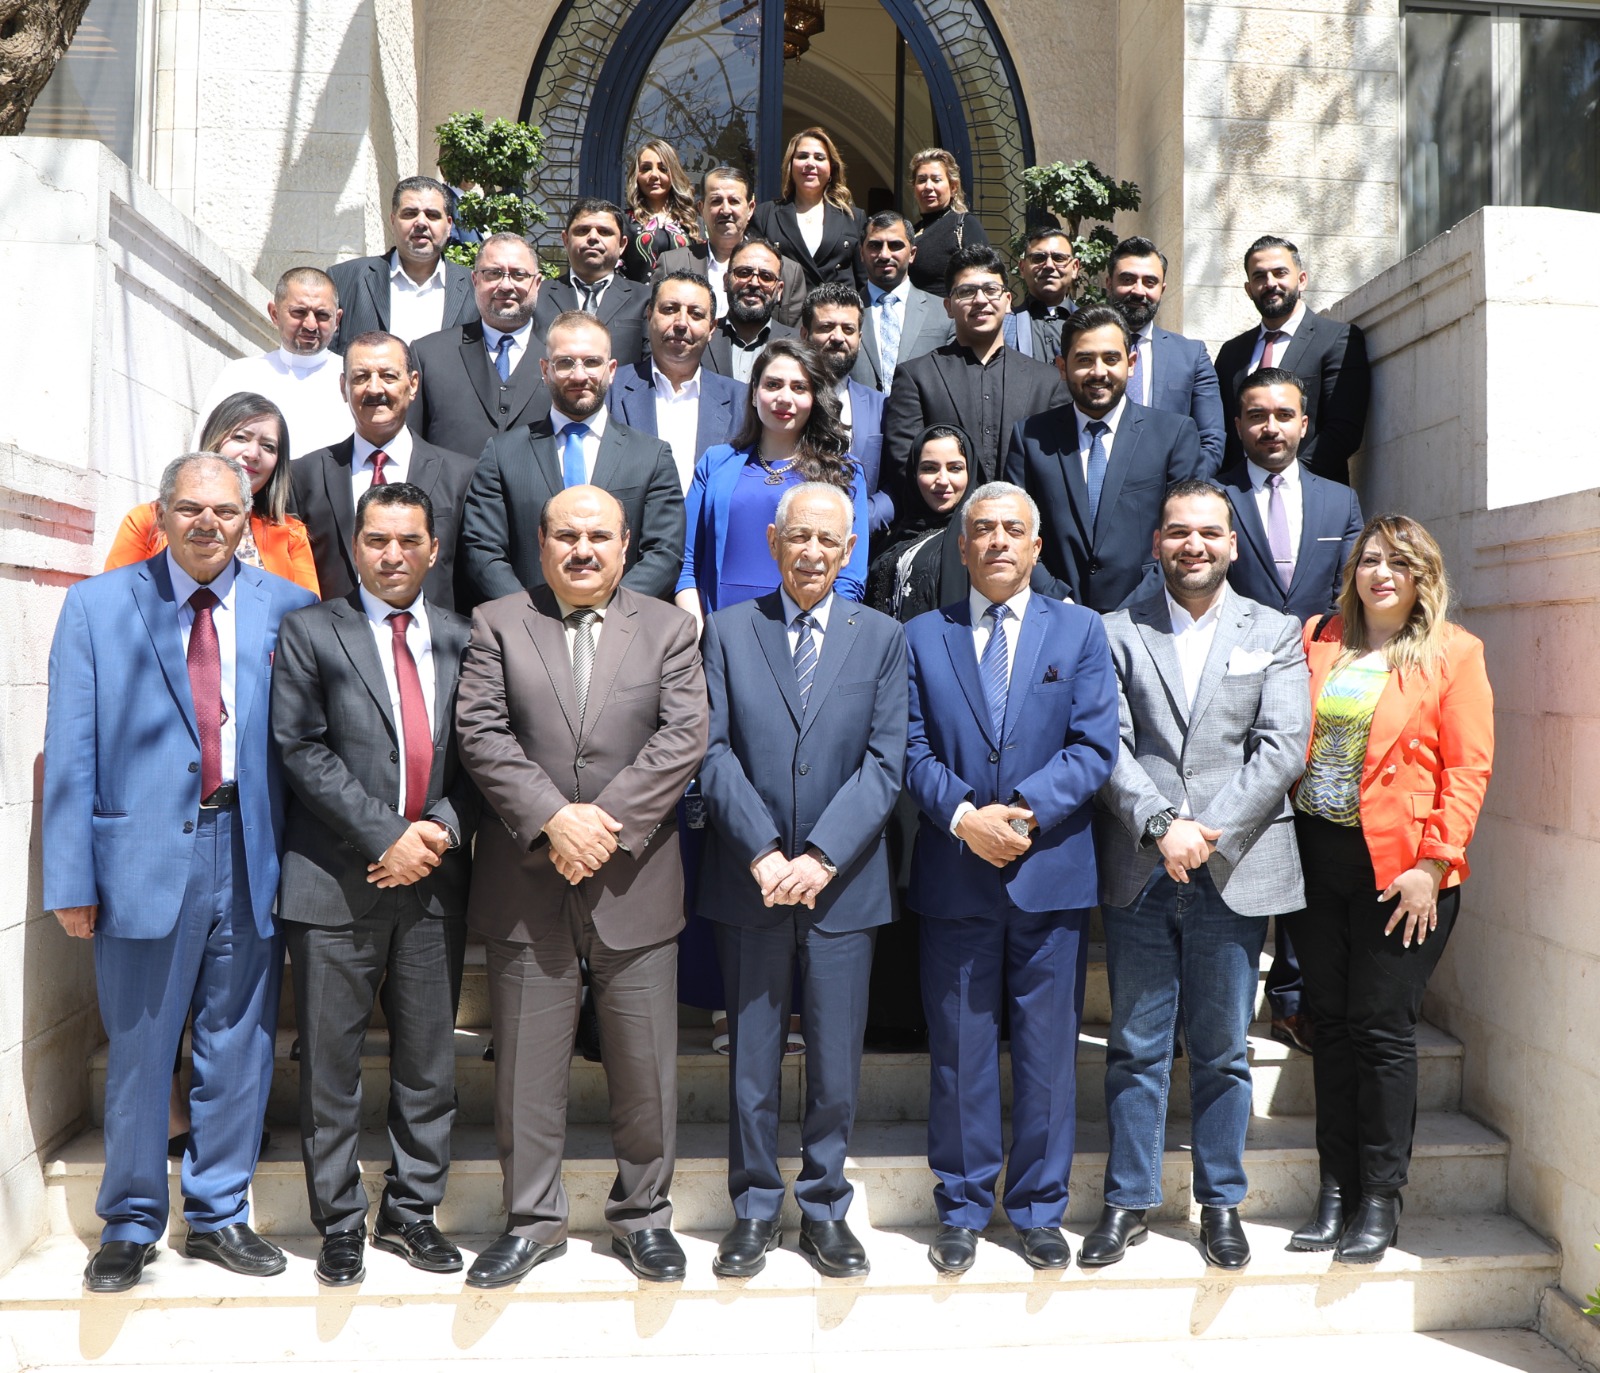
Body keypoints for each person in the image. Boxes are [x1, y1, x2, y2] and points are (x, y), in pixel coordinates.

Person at [44, 452, 317, 1293]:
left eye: (225, 511)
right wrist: (71, 879)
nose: (208, 523)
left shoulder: (289, 609)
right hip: (142, 857)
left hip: (252, 846)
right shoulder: (97, 606)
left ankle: (219, 1212)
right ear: (161, 515)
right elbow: (71, 747)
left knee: (239, 1042)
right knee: (140, 1045)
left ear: (246, 521)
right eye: (191, 508)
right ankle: (130, 1220)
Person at [455, 484, 708, 1288]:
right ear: (541, 544)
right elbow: (481, 733)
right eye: (567, 535)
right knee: (526, 1072)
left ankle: (644, 1216)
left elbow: (684, 735)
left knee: (645, 1069)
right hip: (527, 880)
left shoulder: (668, 628)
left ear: (626, 546)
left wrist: (600, 826)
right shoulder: (498, 622)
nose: (583, 549)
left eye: (600, 535)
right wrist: (553, 819)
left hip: (633, 880)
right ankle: (532, 1220)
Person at [1085, 479, 1310, 1272]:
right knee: (1135, 1045)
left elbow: (1283, 746)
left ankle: (1221, 1202)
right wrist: (1161, 825)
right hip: (1142, 864)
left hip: (1235, 864)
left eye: (1209, 532)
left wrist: (1205, 834)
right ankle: (1128, 1200)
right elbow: (1104, 744)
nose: (1194, 545)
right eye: (1179, 531)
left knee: (1222, 1049)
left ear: (1233, 545)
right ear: (1157, 543)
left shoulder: (1273, 631)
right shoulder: (1115, 630)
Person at [903, 481, 1118, 1275]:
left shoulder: (1081, 629)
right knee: (959, 1051)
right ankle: (961, 1207)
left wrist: (1020, 814)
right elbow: (908, 746)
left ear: (1036, 547)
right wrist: (966, 817)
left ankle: (1037, 1208)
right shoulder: (920, 636)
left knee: (1046, 1053)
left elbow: (1095, 746)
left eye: (1012, 529)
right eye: (983, 529)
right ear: (961, 547)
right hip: (955, 869)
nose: (997, 540)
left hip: (1049, 872)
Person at [698, 482, 907, 1281]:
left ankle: (824, 1206)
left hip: (842, 886)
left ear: (849, 550)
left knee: (834, 1063)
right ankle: (754, 1207)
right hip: (748, 880)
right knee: (751, 1061)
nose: (812, 552)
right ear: (773, 543)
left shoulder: (881, 637)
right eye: (799, 536)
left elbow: (885, 762)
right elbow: (712, 751)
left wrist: (820, 856)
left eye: (828, 539)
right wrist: (761, 851)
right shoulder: (727, 631)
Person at [272, 481, 478, 1287]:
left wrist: (438, 832)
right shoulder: (311, 630)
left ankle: (411, 1211)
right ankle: (339, 1222)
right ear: (355, 546)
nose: (393, 555)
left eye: (409, 540)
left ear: (433, 549)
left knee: (429, 1060)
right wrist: (388, 834)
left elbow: (485, 753)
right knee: (331, 1063)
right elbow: (299, 746)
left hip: (433, 882)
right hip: (334, 880)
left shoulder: (464, 638)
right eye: (378, 540)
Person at [1286, 515, 1493, 1264]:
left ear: (1422, 578)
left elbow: (1467, 770)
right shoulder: (1320, 639)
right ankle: (1333, 1189)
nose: (1382, 573)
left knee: (1380, 1029)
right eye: (1370, 559)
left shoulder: (1453, 653)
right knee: (1332, 1025)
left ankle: (1379, 1198)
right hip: (1317, 859)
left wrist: (1433, 866)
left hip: (1403, 872)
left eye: (1400, 563)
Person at [1217, 367, 1364, 1055]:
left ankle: (1294, 1000)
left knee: (1307, 846)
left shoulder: (1340, 500)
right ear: (1238, 425)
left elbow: (1350, 596)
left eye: (1283, 414)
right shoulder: (1215, 498)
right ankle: (1215, 1001)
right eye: (1256, 415)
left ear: (1306, 423)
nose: (1270, 426)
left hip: (1318, 694)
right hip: (1225, 698)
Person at [460, 311, 685, 603]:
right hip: (526, 622)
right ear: (545, 370)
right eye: (565, 363)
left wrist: (607, 616)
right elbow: (482, 550)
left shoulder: (652, 456)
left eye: (592, 362)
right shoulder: (502, 454)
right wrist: (528, 617)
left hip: (621, 625)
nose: (579, 375)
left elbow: (664, 554)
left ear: (611, 370)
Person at [1006, 305, 1205, 611]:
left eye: (1111, 359)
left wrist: (1129, 612)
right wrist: (1059, 600)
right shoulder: (1031, 437)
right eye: (1084, 360)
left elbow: (1185, 534)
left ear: (1131, 363)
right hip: (1055, 613)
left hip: (1148, 616)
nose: (1098, 372)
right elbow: (1016, 530)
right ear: (1062, 367)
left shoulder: (1173, 435)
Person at [677, 339, 870, 621]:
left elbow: (850, 577)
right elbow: (687, 565)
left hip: (805, 633)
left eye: (799, 387)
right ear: (754, 393)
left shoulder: (844, 472)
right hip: (718, 628)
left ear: (815, 397)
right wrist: (699, 631)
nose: (784, 398)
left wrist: (814, 634)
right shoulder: (715, 463)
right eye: (773, 385)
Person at [290, 332, 477, 611]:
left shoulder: (461, 476)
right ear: (343, 387)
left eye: (388, 376)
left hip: (430, 634)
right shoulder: (303, 476)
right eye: (361, 377)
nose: (374, 389)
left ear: (413, 384)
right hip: (333, 634)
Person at [883, 245, 1068, 504]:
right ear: (948, 306)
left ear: (1008, 300)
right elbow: (907, 464)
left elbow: (1058, 469)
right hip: (944, 523)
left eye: (991, 290)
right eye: (967, 291)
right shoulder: (917, 377)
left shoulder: (1048, 382)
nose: (980, 300)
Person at [108, 393, 320, 595]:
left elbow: (306, 615)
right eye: (241, 437)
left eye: (268, 446)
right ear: (214, 439)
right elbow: (115, 600)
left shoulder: (291, 535)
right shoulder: (147, 521)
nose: (253, 454)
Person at [1214, 235, 1372, 483]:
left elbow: (1343, 431)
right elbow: (1221, 430)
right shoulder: (1231, 354)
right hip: (1239, 495)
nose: (1270, 283)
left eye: (1280, 273)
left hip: (1311, 492)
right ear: (1248, 289)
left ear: (1301, 280)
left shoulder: (1337, 340)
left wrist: (1286, 483)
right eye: (1259, 276)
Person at [409, 232, 551, 460]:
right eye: (493, 273)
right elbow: (411, 446)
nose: (506, 285)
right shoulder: (429, 355)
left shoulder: (561, 356)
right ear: (475, 280)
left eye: (519, 274)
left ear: (537, 283)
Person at [605, 271, 747, 493]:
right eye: (670, 309)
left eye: (696, 314)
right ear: (649, 315)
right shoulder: (610, 389)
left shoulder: (741, 401)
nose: (681, 323)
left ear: (712, 328)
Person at [193, 267, 352, 456]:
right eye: (299, 312)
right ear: (274, 314)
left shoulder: (355, 379)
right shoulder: (240, 374)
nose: (311, 325)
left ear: (337, 320)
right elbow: (204, 450)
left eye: (322, 315)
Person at [1105, 236, 1226, 473]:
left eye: (1150, 282)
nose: (1138, 291)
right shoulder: (1082, 352)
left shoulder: (1192, 355)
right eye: (1127, 280)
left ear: (1162, 289)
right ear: (1109, 283)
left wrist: (1183, 488)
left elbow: (1211, 440)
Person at [327, 176, 478, 350]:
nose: (421, 223)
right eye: (410, 214)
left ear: (449, 225)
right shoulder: (344, 279)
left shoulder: (476, 288)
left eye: (432, 215)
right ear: (393, 220)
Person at [653, 166, 805, 326]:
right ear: (701, 209)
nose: (725, 210)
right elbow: (654, 325)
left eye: (734, 201)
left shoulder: (787, 271)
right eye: (716, 201)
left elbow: (795, 336)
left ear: (750, 209)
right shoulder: (672, 264)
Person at [798, 283, 889, 534]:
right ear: (804, 334)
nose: (838, 337)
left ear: (859, 338)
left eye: (848, 329)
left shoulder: (882, 406)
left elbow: (895, 485)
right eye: (826, 327)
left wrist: (855, 521)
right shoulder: (783, 401)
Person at [865, 424, 971, 623]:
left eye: (955, 468)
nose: (942, 480)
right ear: (914, 473)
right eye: (929, 468)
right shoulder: (895, 537)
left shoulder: (975, 541)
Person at [532, 199, 651, 368]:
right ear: (565, 240)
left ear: (622, 244)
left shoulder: (645, 299)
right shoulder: (537, 295)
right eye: (582, 230)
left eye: (604, 232)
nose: (593, 237)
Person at [750, 127, 868, 294]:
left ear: (831, 168)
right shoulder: (765, 215)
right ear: (790, 166)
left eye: (819, 158)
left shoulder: (853, 217)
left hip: (838, 308)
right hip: (787, 309)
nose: (810, 163)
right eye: (802, 156)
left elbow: (864, 282)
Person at [850, 211, 954, 394]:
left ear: (912, 254)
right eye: (875, 245)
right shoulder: (845, 314)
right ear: (861, 253)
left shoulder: (945, 313)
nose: (884, 254)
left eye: (895, 245)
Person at [702, 236, 801, 383]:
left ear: (779, 290)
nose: (754, 283)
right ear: (726, 281)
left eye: (766, 277)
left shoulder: (799, 344)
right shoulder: (701, 338)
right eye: (743, 273)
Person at [906, 148, 990, 298]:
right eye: (922, 180)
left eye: (936, 180)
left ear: (953, 187)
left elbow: (984, 276)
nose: (928, 187)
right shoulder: (911, 231)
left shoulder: (965, 224)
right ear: (914, 187)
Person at [621, 138, 701, 283]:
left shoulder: (694, 223)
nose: (654, 175)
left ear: (673, 174)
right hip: (638, 297)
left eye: (663, 168)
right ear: (636, 175)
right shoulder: (624, 222)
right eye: (646, 168)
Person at [1006, 227, 1078, 364]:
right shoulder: (1005, 326)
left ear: (1074, 268)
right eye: (1038, 258)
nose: (1049, 265)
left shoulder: (1092, 325)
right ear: (1022, 268)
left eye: (1059, 258)